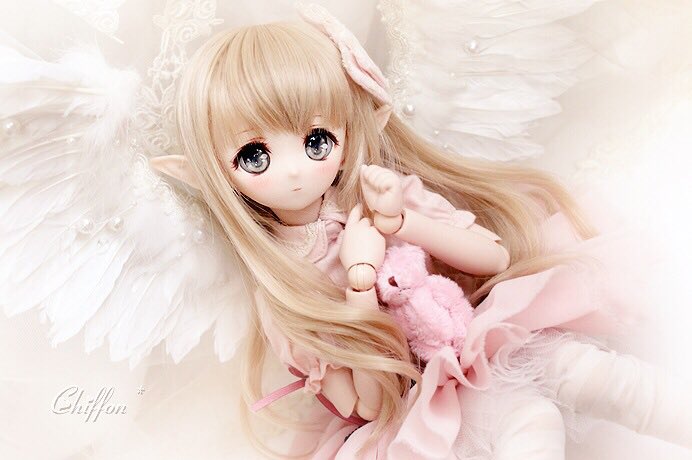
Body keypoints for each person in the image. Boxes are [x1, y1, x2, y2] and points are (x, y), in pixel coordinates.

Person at [111, 4, 692, 459]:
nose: (292, 171)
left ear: (345, 133)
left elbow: (491, 258)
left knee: (589, 371)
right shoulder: (284, 290)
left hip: (476, 337)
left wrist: (404, 222)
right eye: (255, 156)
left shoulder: (380, 193)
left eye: (316, 141)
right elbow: (366, 406)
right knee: (530, 422)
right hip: (418, 404)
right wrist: (360, 285)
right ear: (220, 174)